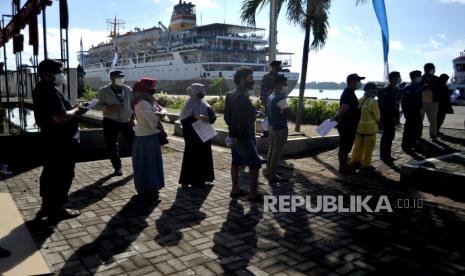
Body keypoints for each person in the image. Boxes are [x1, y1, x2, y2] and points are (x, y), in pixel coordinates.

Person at [32, 59, 87, 221]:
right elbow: (60, 117)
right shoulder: (51, 92)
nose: (62, 75)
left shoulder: (40, 89)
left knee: (50, 172)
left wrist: (75, 110)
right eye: (59, 72)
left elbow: (60, 113)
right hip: (61, 141)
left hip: (51, 139)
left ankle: (46, 206)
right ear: (47, 74)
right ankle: (57, 209)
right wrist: (77, 110)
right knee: (62, 174)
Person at [224, 67, 262, 202]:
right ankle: (253, 193)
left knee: (236, 161)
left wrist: (232, 133)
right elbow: (239, 118)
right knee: (256, 163)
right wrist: (241, 133)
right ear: (242, 79)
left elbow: (227, 117)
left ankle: (235, 189)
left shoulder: (230, 94)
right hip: (243, 135)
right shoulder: (242, 97)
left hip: (234, 134)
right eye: (250, 78)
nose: (252, 80)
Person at [131, 78, 165, 200]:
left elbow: (161, 109)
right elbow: (153, 123)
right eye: (150, 87)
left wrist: (160, 113)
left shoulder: (147, 100)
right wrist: (160, 115)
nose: (153, 89)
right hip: (146, 138)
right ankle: (147, 190)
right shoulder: (143, 103)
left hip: (148, 137)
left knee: (149, 165)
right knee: (148, 165)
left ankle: (151, 189)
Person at [97, 70, 135, 176]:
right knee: (112, 145)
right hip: (110, 121)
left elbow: (132, 105)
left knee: (135, 142)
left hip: (125, 121)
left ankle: (138, 163)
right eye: (118, 77)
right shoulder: (104, 90)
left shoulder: (128, 89)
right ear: (112, 78)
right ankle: (117, 167)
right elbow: (97, 105)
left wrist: (132, 117)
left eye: (122, 77)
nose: (121, 79)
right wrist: (108, 108)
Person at [179, 83, 217, 188]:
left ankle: (202, 179)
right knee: (190, 156)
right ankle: (187, 180)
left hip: (203, 134)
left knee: (204, 156)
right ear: (195, 92)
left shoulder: (205, 104)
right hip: (192, 136)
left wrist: (206, 118)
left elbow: (213, 118)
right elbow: (183, 121)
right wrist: (195, 117)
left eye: (204, 90)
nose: (203, 92)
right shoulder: (188, 105)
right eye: (201, 90)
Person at [266, 75, 294, 183]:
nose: (285, 86)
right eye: (284, 83)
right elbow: (288, 111)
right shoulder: (279, 98)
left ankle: (270, 171)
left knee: (272, 150)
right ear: (278, 84)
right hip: (280, 128)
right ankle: (272, 176)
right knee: (276, 153)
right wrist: (294, 118)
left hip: (272, 126)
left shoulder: (271, 96)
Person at [335, 74, 363, 174]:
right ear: (351, 82)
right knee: (344, 147)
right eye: (357, 80)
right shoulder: (347, 93)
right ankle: (343, 168)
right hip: (346, 125)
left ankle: (345, 165)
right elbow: (343, 109)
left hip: (350, 124)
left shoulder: (351, 92)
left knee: (346, 146)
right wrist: (335, 118)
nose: (359, 83)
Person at [351, 82, 380, 171]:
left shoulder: (360, 100)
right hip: (370, 130)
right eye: (375, 90)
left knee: (358, 146)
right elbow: (377, 116)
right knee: (368, 148)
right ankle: (366, 165)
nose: (376, 92)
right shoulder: (373, 101)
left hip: (359, 129)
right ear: (371, 91)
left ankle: (355, 161)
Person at [378, 71, 401, 165]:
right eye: (397, 77)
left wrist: (397, 118)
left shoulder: (395, 89)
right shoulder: (387, 90)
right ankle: (385, 156)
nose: (399, 78)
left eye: (399, 77)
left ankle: (387, 155)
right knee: (387, 137)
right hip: (387, 117)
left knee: (390, 136)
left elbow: (396, 105)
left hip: (392, 117)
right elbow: (385, 106)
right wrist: (391, 118)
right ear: (391, 79)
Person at [402, 71, 424, 153]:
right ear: (412, 77)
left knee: (417, 128)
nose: (420, 77)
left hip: (416, 110)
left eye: (420, 75)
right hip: (410, 111)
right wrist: (406, 112)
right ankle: (406, 146)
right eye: (418, 76)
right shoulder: (409, 87)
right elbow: (404, 101)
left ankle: (413, 143)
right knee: (409, 129)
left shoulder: (417, 86)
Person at [260, 60, 282, 138]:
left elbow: (281, 89)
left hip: (277, 101)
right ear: (273, 67)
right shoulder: (266, 76)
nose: (280, 67)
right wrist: (262, 99)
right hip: (268, 100)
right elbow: (262, 89)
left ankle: (275, 132)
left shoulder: (280, 77)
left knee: (277, 116)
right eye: (278, 66)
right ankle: (265, 132)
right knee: (267, 116)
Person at [421, 63, 440, 140]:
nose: (433, 70)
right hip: (421, 103)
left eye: (434, 69)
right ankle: (418, 135)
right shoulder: (420, 78)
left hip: (434, 103)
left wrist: (432, 86)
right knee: (419, 120)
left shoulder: (436, 79)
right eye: (432, 69)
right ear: (425, 70)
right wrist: (423, 87)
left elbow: (440, 89)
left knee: (433, 121)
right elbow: (416, 88)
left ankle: (433, 135)